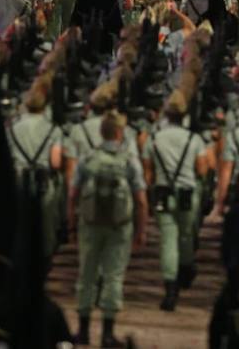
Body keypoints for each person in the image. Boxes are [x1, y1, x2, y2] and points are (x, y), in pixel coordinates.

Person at [69, 110, 147, 348]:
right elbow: (141, 199)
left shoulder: (89, 159)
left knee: (87, 274)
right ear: (120, 133)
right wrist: (141, 229)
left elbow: (73, 194)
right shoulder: (128, 161)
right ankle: (107, 333)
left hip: (90, 225)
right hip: (119, 227)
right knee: (113, 276)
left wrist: (71, 224)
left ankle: (82, 331)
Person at [142, 90, 208, 311]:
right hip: (187, 192)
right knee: (186, 235)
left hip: (162, 191)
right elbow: (202, 169)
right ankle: (186, 266)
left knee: (168, 240)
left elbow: (148, 172)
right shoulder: (194, 139)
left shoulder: (154, 138)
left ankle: (170, 287)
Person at [8, 83, 64, 261]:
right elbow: (55, 162)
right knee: (45, 225)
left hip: (18, 178)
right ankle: (43, 260)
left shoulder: (12, 128)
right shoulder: (52, 129)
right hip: (43, 181)